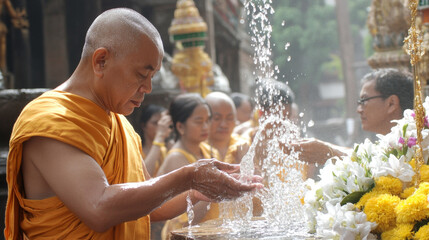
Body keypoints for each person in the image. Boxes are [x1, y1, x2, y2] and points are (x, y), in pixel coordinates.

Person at [5, 8, 262, 239]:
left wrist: (198, 190)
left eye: (152, 76)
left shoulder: (120, 124)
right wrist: (188, 177)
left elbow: (151, 203)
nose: (148, 88)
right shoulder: (50, 121)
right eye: (142, 74)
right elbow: (99, 207)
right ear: (101, 61)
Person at [296, 68, 414, 166]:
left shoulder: (418, 144)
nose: (359, 110)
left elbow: (380, 167)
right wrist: (328, 152)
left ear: (391, 103)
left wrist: (329, 153)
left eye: (364, 100)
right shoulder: (386, 147)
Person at [156, 93, 221, 238]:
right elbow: (185, 217)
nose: (205, 127)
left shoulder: (209, 150)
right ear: (180, 126)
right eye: (199, 121)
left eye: (207, 120)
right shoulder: (176, 158)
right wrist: (218, 190)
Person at [138, 104, 172, 176]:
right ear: (143, 125)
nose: (160, 127)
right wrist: (159, 136)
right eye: (155, 123)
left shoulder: (164, 149)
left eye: (162, 123)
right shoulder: (137, 150)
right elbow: (144, 176)